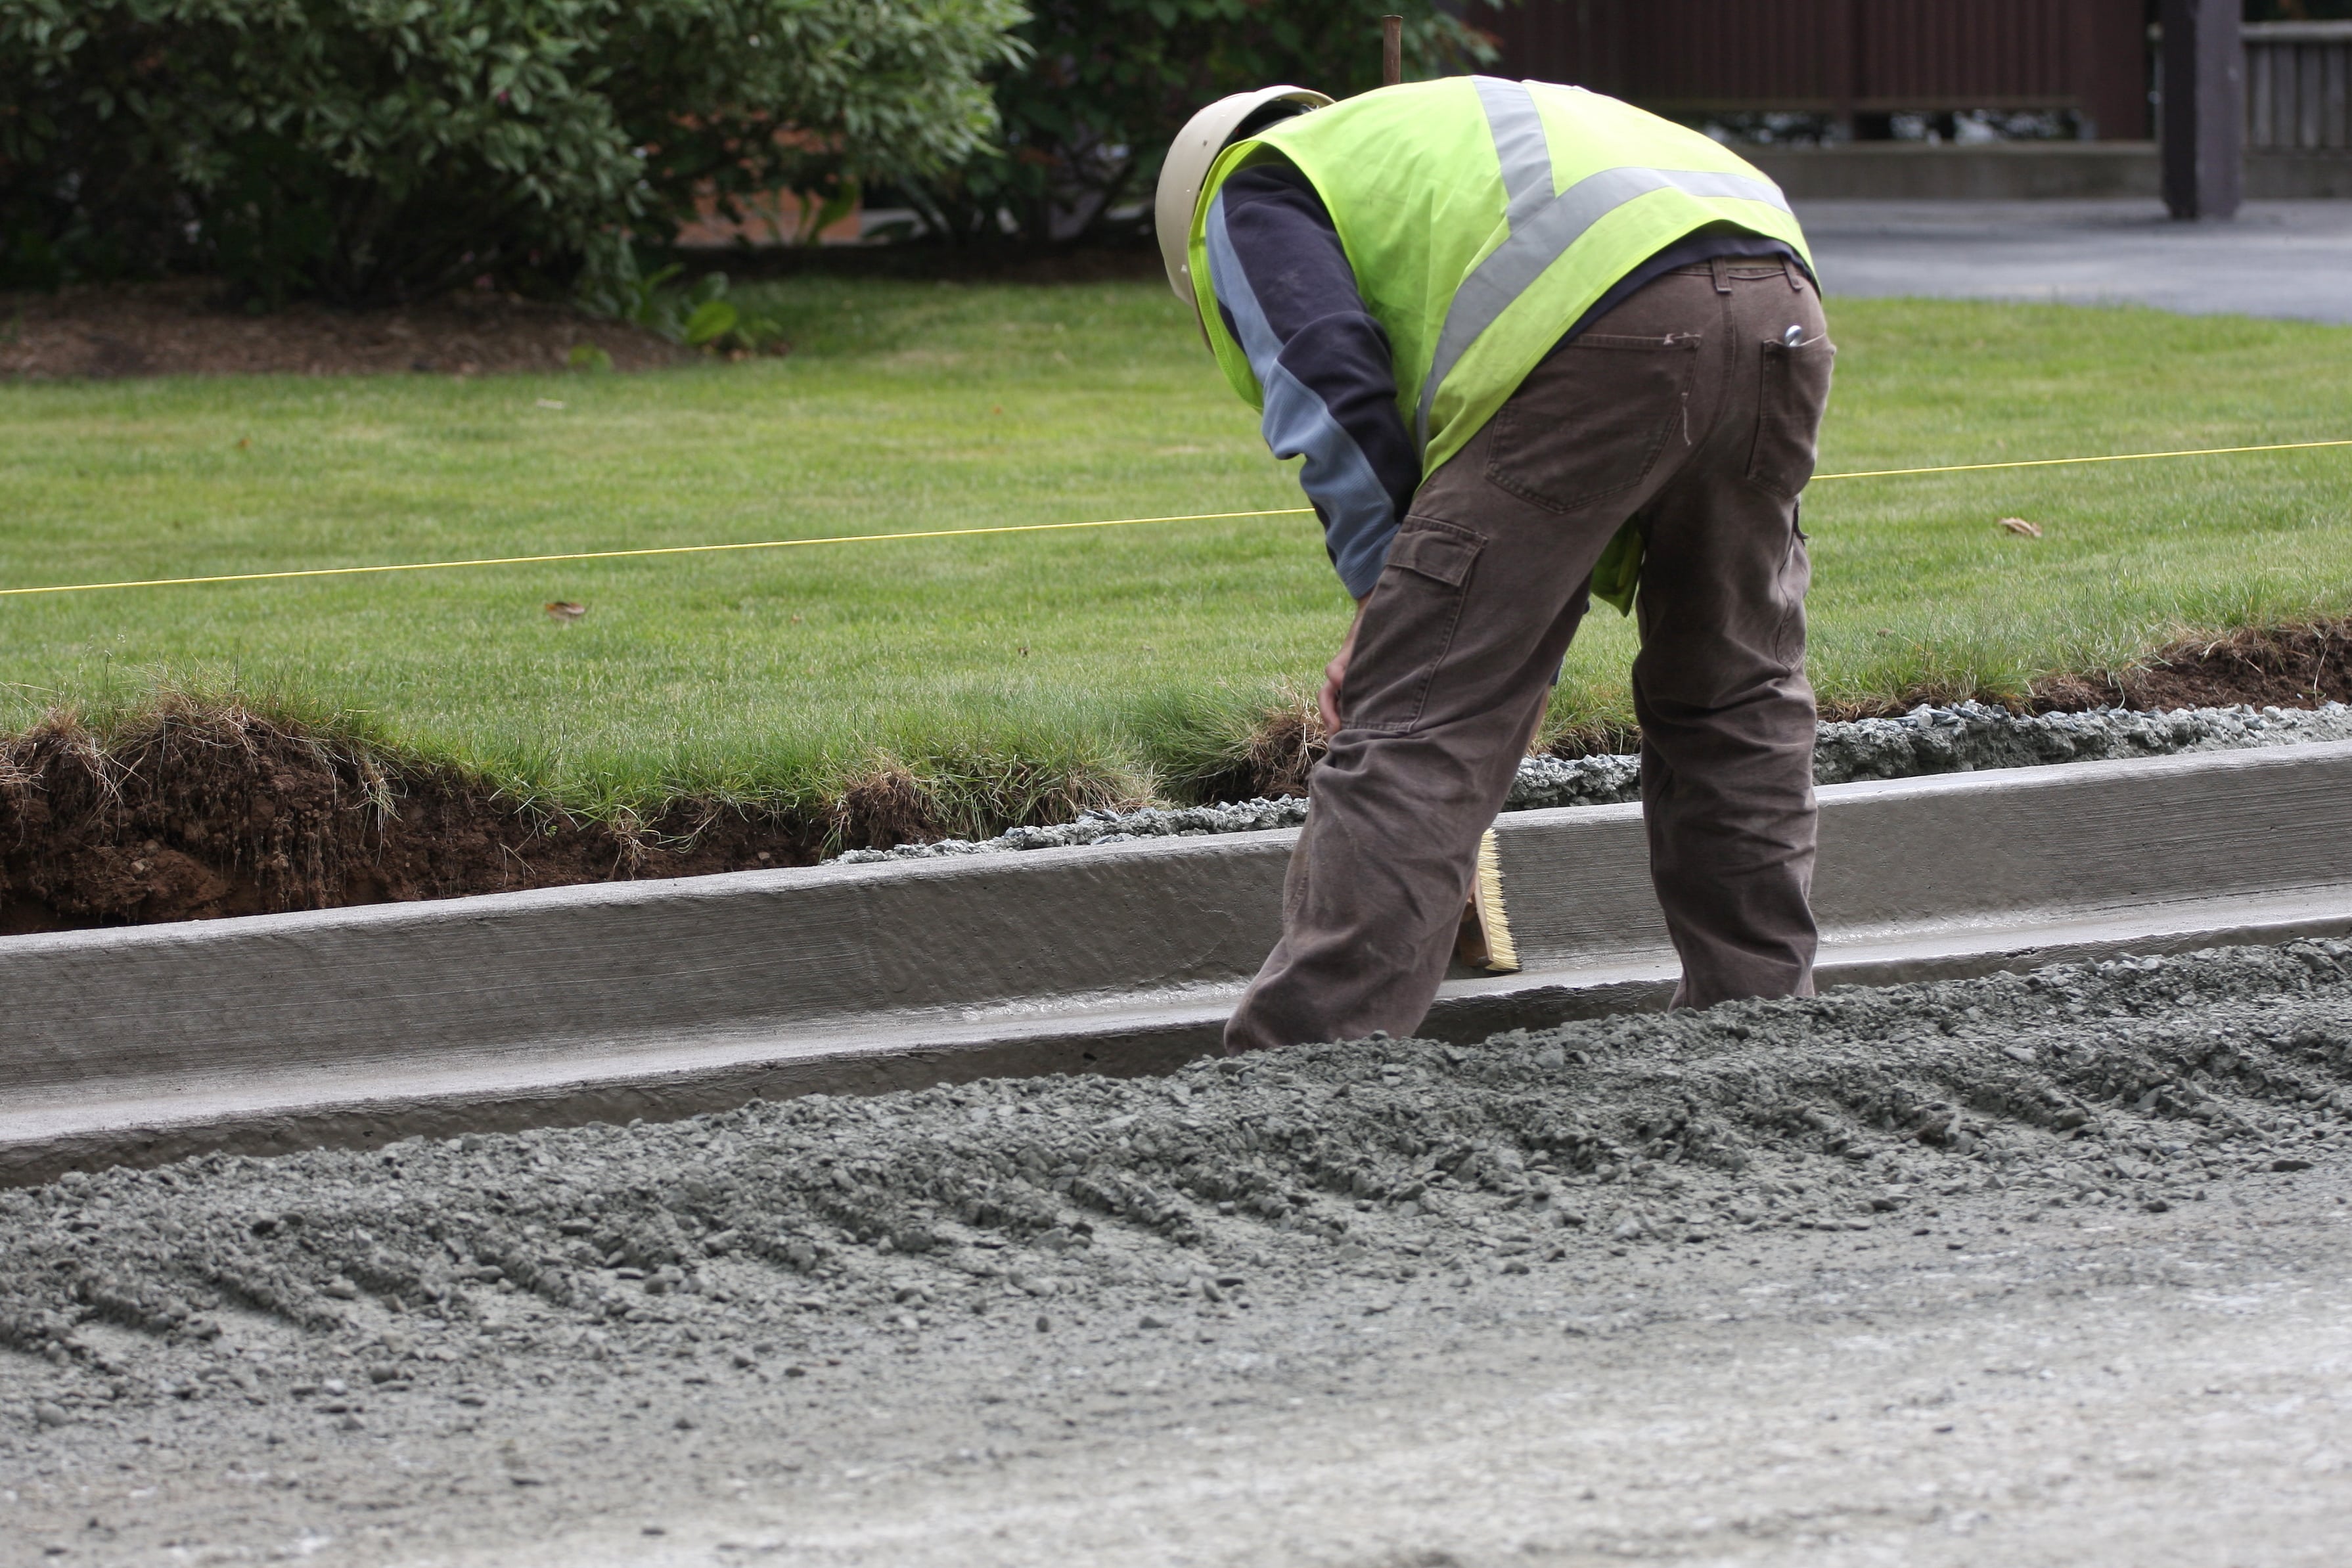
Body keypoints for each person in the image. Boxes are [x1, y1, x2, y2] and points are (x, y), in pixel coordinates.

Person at [1152, 76, 1835, 1055]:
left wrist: (1386, 604)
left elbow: (1328, 385)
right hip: (1783, 303)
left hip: (1609, 317)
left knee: (1426, 714)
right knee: (1736, 688)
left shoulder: (1251, 189)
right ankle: (1759, 1018)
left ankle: (1307, 1062)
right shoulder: (1415, 147)